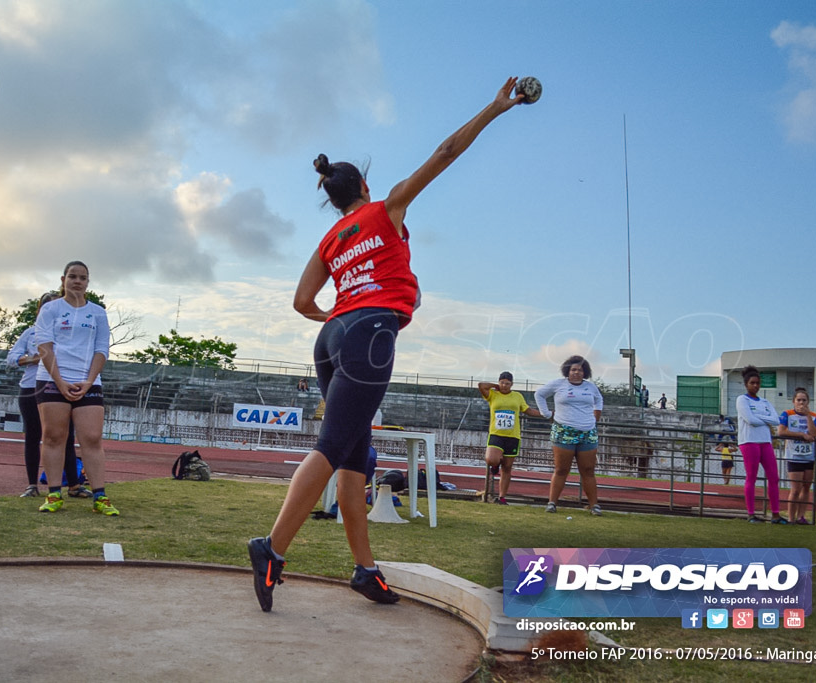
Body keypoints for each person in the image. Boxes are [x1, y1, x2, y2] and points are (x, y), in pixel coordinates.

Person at [248, 77, 530, 613]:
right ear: (365, 187)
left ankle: (365, 569)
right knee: (333, 448)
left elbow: (302, 301)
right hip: (370, 332)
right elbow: (445, 153)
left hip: (332, 336)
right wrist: (494, 109)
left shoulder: (331, 239)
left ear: (331, 198)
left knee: (356, 457)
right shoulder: (386, 211)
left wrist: (341, 312)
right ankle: (272, 549)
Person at [33, 261, 117, 516]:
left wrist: (89, 381)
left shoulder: (98, 312)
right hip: (52, 379)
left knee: (91, 438)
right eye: (72, 276)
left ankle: (100, 496)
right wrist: (59, 381)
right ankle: (54, 494)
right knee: (54, 437)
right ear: (63, 280)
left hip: (87, 381)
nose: (77, 281)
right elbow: (44, 346)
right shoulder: (50, 309)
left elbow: (102, 349)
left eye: (82, 277)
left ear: (88, 282)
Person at [5, 291, 88, 499]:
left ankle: (74, 485)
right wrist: (31, 359)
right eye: (47, 307)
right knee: (33, 436)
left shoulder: (71, 333)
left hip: (59, 388)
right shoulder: (30, 333)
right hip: (31, 388)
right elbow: (11, 358)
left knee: (65, 437)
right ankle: (32, 485)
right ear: (40, 310)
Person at [534, 355, 605, 515]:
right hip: (564, 432)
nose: (576, 373)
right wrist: (546, 413)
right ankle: (552, 503)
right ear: (567, 370)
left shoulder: (591, 387)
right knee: (561, 469)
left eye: (580, 370)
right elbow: (539, 394)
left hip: (587, 433)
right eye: (573, 369)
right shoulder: (558, 384)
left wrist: (596, 416)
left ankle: (594, 506)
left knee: (588, 470)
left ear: (585, 372)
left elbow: (599, 400)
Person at [478, 371, 542, 504]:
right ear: (499, 382)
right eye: (502, 382)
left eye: (507, 383)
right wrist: (495, 386)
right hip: (496, 434)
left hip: (513, 436)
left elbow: (528, 410)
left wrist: (545, 414)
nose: (504, 385)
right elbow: (481, 385)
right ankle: (495, 466)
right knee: (491, 459)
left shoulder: (517, 396)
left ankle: (502, 497)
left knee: (507, 468)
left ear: (512, 384)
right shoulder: (493, 395)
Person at [735, 365, 787, 524]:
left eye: (758, 383)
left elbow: (776, 420)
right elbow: (750, 420)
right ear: (746, 384)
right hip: (749, 441)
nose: (756, 386)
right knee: (751, 477)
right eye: (752, 383)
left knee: (774, 477)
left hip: (765, 441)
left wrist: (758, 417)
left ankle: (776, 514)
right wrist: (763, 418)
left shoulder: (765, 402)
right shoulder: (742, 399)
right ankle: (751, 514)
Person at [778, 387, 816, 524]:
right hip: (794, 455)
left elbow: (814, 433)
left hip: (809, 455)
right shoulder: (787, 414)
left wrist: (807, 416)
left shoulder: (814, 416)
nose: (801, 403)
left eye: (804, 400)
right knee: (795, 489)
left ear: (808, 402)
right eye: (799, 400)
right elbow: (782, 432)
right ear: (794, 401)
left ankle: (802, 516)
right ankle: (791, 517)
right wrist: (801, 435)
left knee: (806, 487)